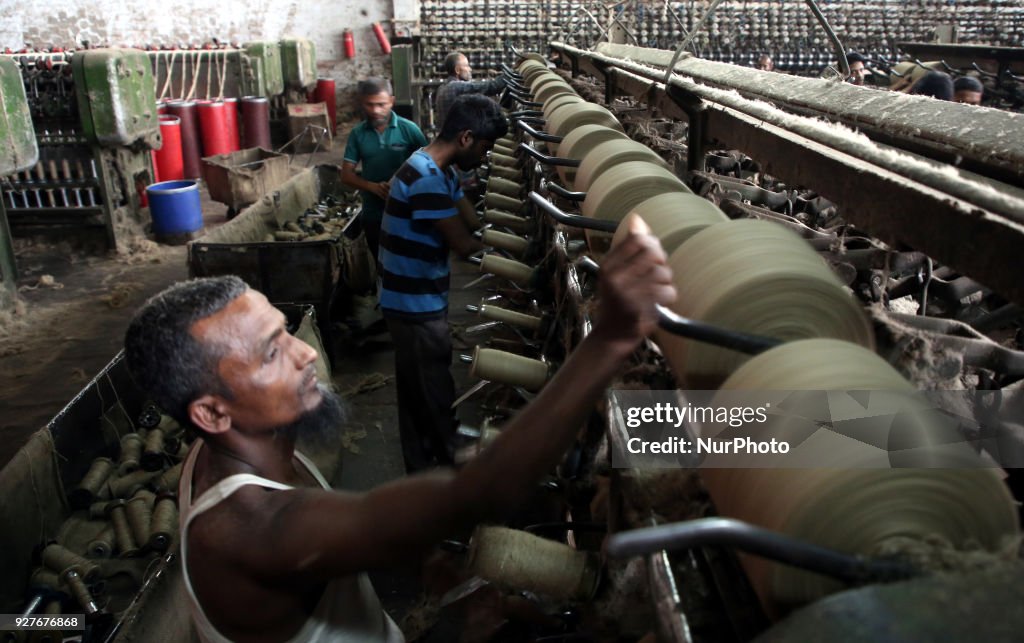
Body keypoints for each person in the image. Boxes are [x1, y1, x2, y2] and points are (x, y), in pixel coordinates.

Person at [123, 223, 675, 642]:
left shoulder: (223, 456)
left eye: (286, 331)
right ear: (214, 413)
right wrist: (610, 338)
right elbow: (482, 493)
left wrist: (418, 556)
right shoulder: (253, 529)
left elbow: (338, 539)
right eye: (272, 352)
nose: (306, 352)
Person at [378, 94, 508, 472]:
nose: (485, 157)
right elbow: (465, 244)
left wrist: (501, 238)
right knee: (432, 387)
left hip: (412, 297)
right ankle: (445, 466)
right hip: (412, 304)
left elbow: (473, 222)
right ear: (466, 138)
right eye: (485, 148)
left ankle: (422, 463)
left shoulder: (438, 169)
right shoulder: (425, 181)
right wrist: (521, 266)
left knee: (417, 389)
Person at [341, 78, 428, 259]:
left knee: (409, 260)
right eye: (369, 105)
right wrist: (372, 187)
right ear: (361, 102)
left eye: (381, 104)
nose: (375, 111)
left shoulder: (409, 130)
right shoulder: (357, 134)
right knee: (380, 260)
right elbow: (346, 176)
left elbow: (430, 167)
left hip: (408, 212)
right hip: (374, 214)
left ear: (392, 101)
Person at [433, 52, 507, 130]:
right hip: (457, 138)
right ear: (457, 70)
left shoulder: (442, 87)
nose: (470, 69)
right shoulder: (455, 86)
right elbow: (492, 87)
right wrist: (512, 73)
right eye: (467, 66)